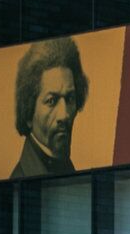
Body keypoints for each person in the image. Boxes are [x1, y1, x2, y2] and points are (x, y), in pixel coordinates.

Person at [8, 37, 89, 178]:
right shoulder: (21, 179)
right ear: (28, 112)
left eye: (70, 99)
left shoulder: (67, 168)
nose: (64, 115)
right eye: (51, 101)